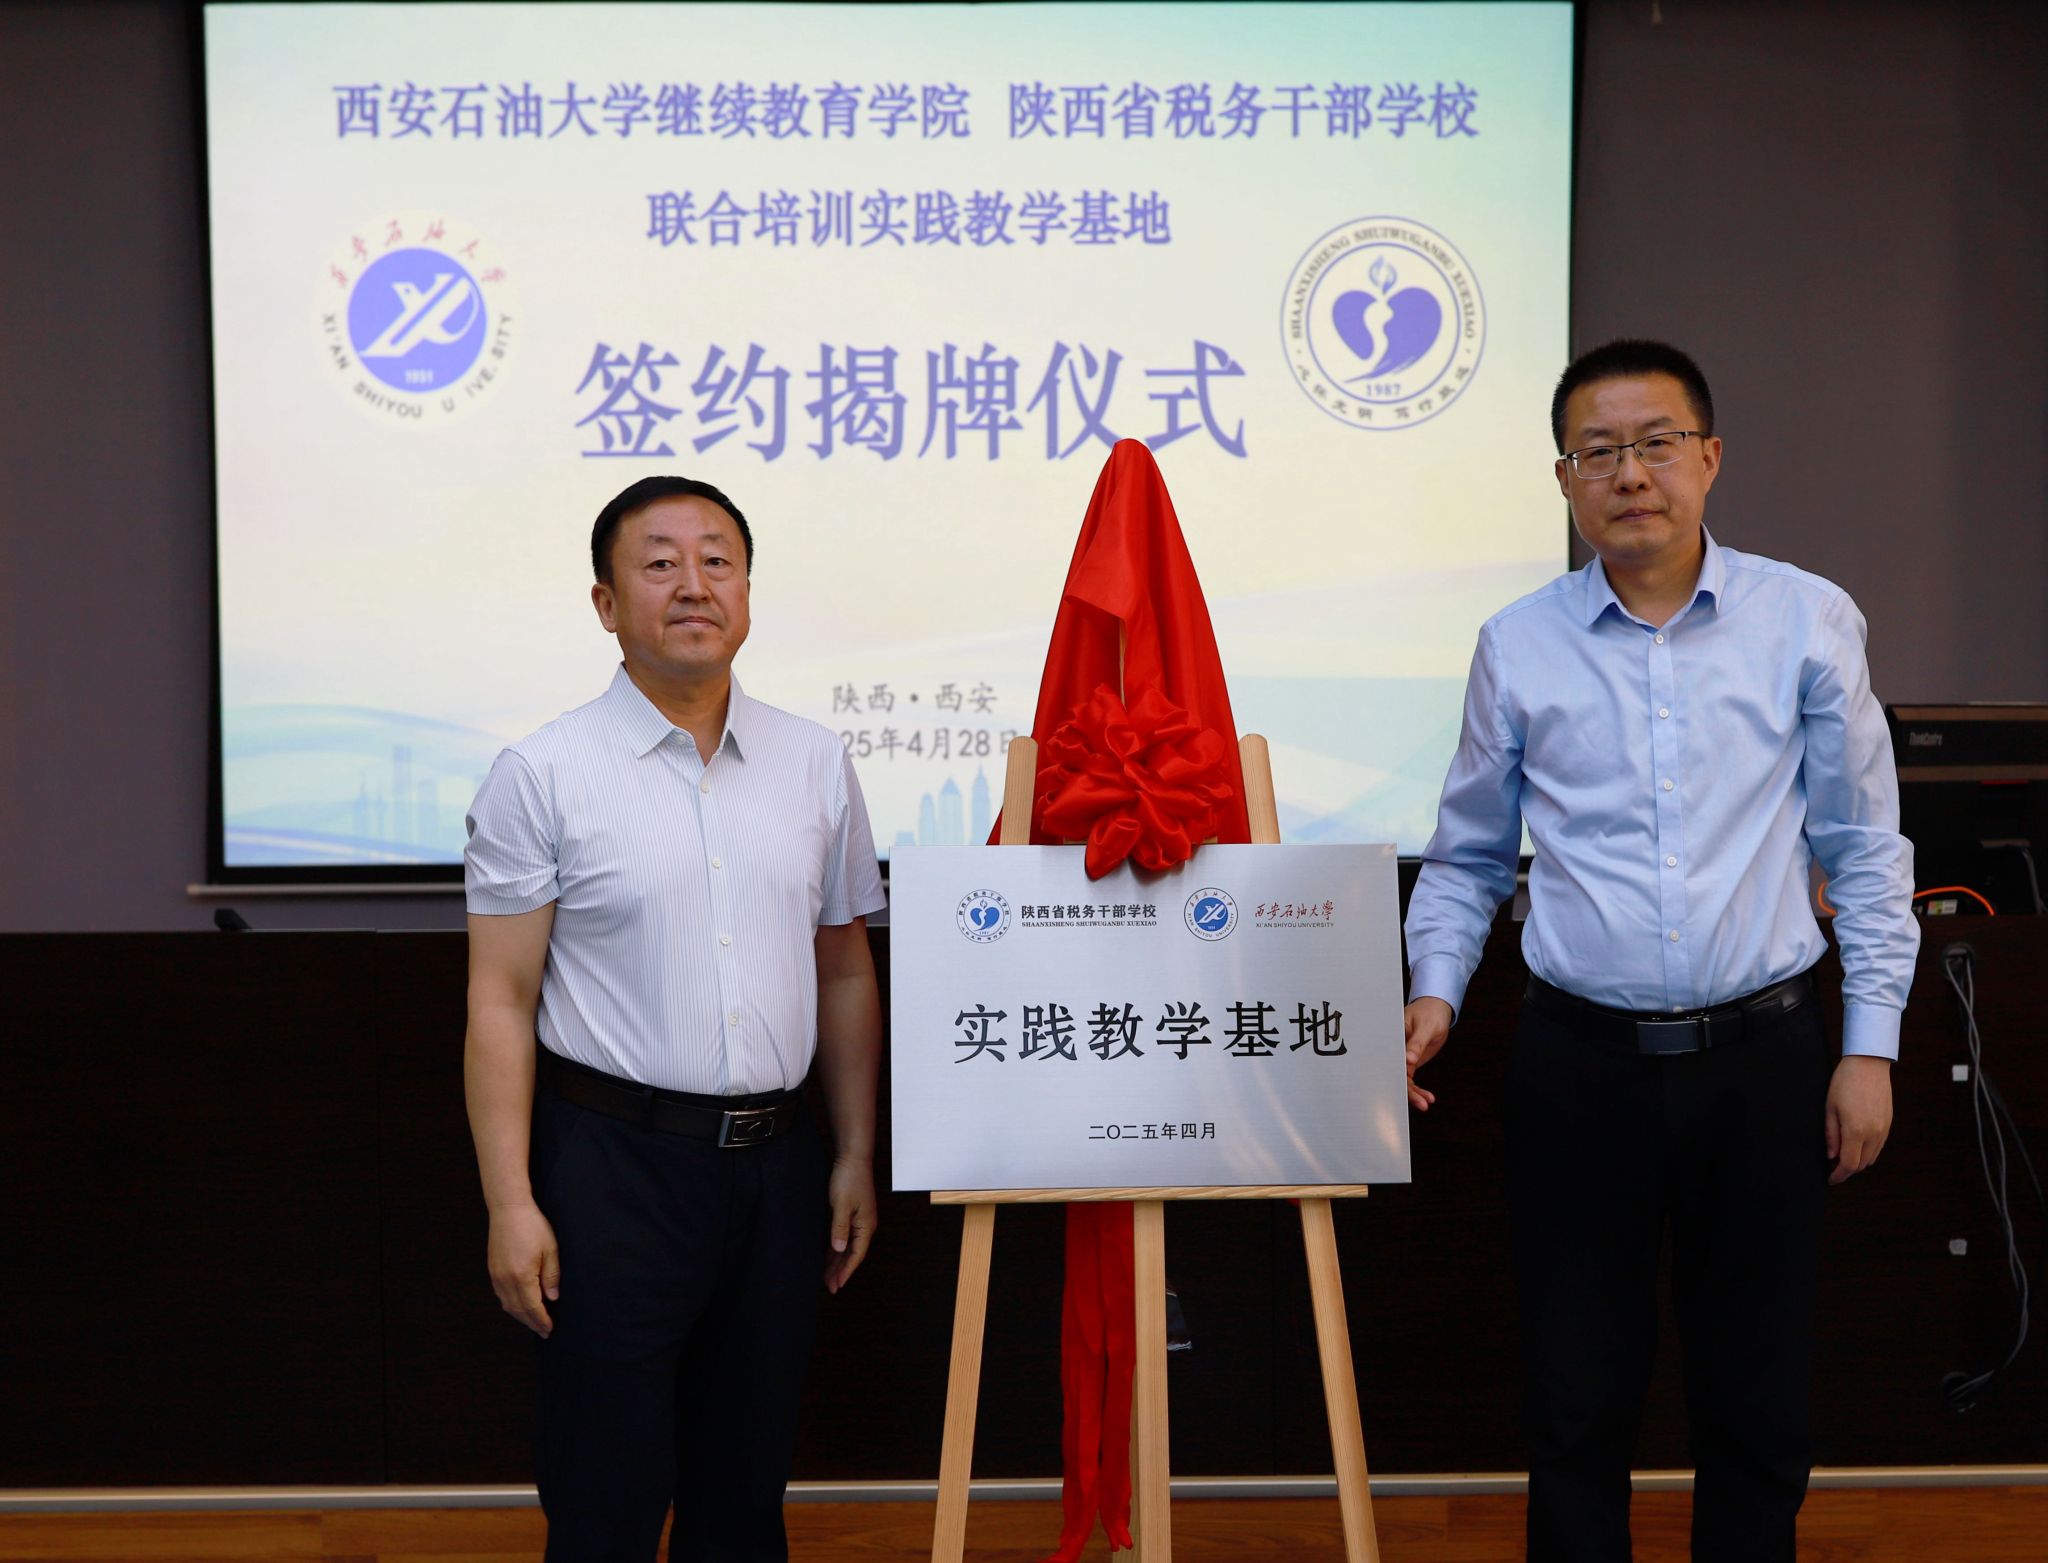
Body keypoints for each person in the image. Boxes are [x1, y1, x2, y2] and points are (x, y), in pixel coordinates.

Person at [1401, 341, 1917, 1563]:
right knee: (1574, 1393)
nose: (1628, 474)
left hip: (1764, 1058)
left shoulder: (1804, 619)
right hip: (1576, 1066)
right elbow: (1468, 856)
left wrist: (1869, 1048)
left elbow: (1861, 847)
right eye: (1596, 452)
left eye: (1654, 444)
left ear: (1708, 458)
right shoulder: (1516, 644)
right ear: (1563, 480)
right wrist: (1433, 993)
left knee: (1756, 1392)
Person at [462, 475, 886, 1562]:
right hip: (612, 1167)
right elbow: (500, 1000)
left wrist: (851, 1151)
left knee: (743, 1487)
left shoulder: (814, 761)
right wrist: (511, 1203)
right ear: (606, 604)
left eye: (717, 560)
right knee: (604, 1490)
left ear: (747, 590)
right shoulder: (541, 773)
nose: (693, 584)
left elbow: (843, 968)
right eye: (659, 563)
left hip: (779, 1167)